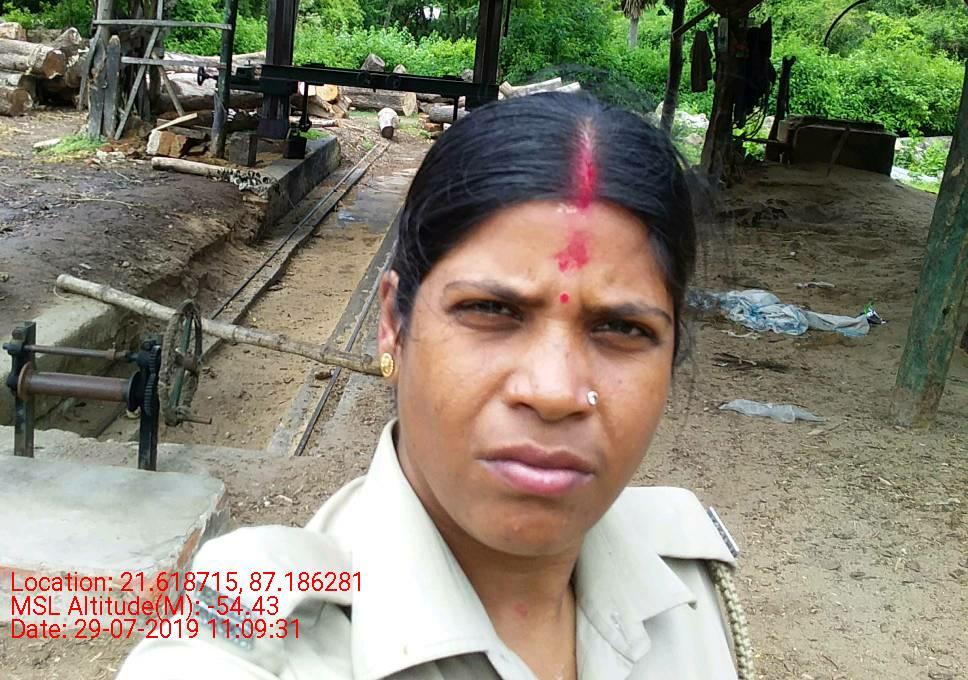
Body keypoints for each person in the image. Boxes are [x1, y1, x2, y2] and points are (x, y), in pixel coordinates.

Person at [117, 90, 752, 679]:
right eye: (491, 310)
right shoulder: (247, 646)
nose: (555, 391)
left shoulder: (691, 584)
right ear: (393, 324)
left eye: (621, 328)